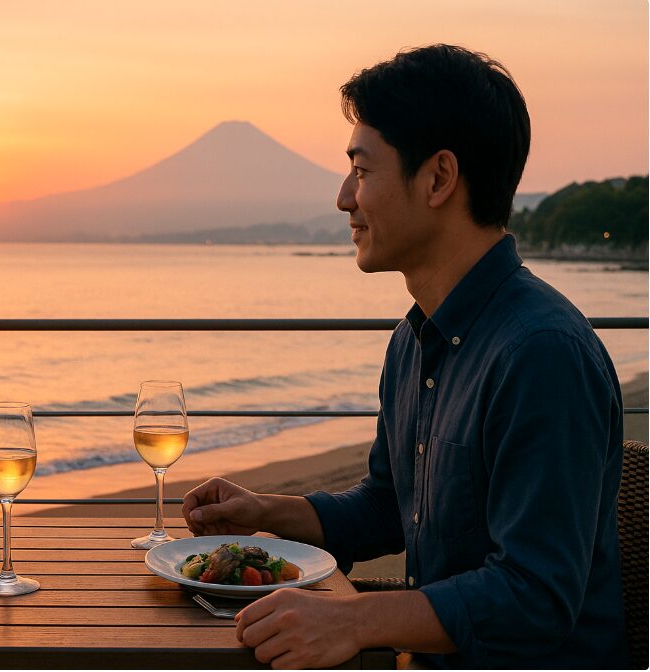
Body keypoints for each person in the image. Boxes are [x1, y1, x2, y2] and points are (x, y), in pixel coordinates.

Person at [183, 45, 627, 669]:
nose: (344, 198)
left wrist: (354, 621)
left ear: (439, 179)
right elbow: (392, 506)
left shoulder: (542, 355)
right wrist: (264, 511)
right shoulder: (415, 339)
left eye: (361, 171)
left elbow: (536, 597)